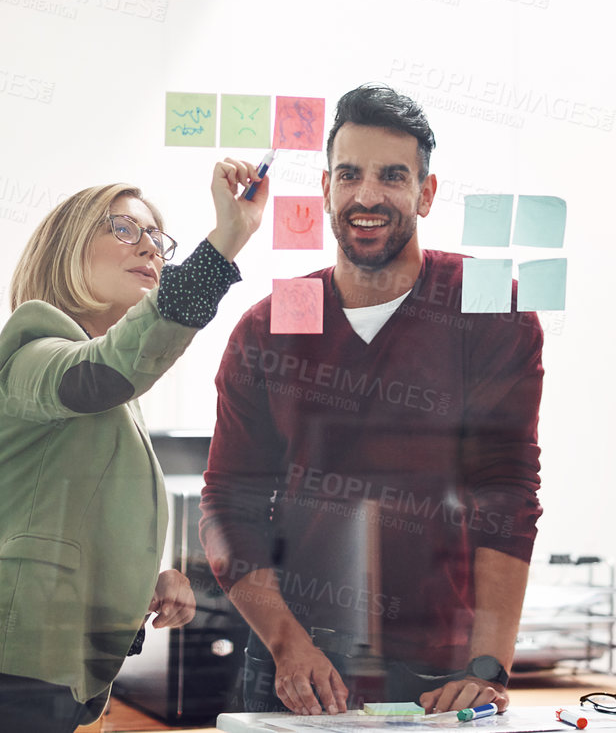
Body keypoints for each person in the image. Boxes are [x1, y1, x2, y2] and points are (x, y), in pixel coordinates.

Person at [0, 157, 267, 733]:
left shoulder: (114, 391)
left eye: (158, 237)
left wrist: (147, 579)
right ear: (66, 251)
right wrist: (226, 240)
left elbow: (73, 515)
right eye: (125, 229)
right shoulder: (31, 345)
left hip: (33, 681)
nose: (151, 249)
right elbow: (106, 369)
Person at [200, 84, 543, 717]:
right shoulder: (272, 323)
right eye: (350, 175)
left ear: (427, 192)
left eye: (393, 176)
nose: (367, 196)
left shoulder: (491, 303)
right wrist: (287, 644)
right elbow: (227, 502)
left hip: (441, 673)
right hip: (294, 669)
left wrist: (489, 664)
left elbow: (509, 490)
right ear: (327, 188)